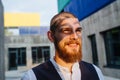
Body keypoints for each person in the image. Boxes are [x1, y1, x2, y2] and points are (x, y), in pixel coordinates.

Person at [21, 12, 104, 80]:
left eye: (78, 30)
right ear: (51, 36)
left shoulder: (95, 71)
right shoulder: (32, 77)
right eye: (66, 30)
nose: (75, 36)